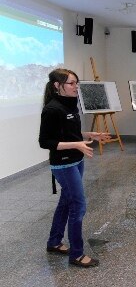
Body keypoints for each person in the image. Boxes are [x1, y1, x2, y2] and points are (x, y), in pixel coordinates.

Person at [39, 68, 110, 268]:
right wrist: (77, 144)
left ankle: (54, 242)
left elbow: (68, 133)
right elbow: (46, 142)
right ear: (57, 86)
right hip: (63, 164)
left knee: (66, 202)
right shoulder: (52, 109)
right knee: (78, 206)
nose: (75, 87)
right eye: (71, 83)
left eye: (76, 83)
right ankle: (76, 254)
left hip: (76, 160)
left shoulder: (70, 105)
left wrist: (89, 135)